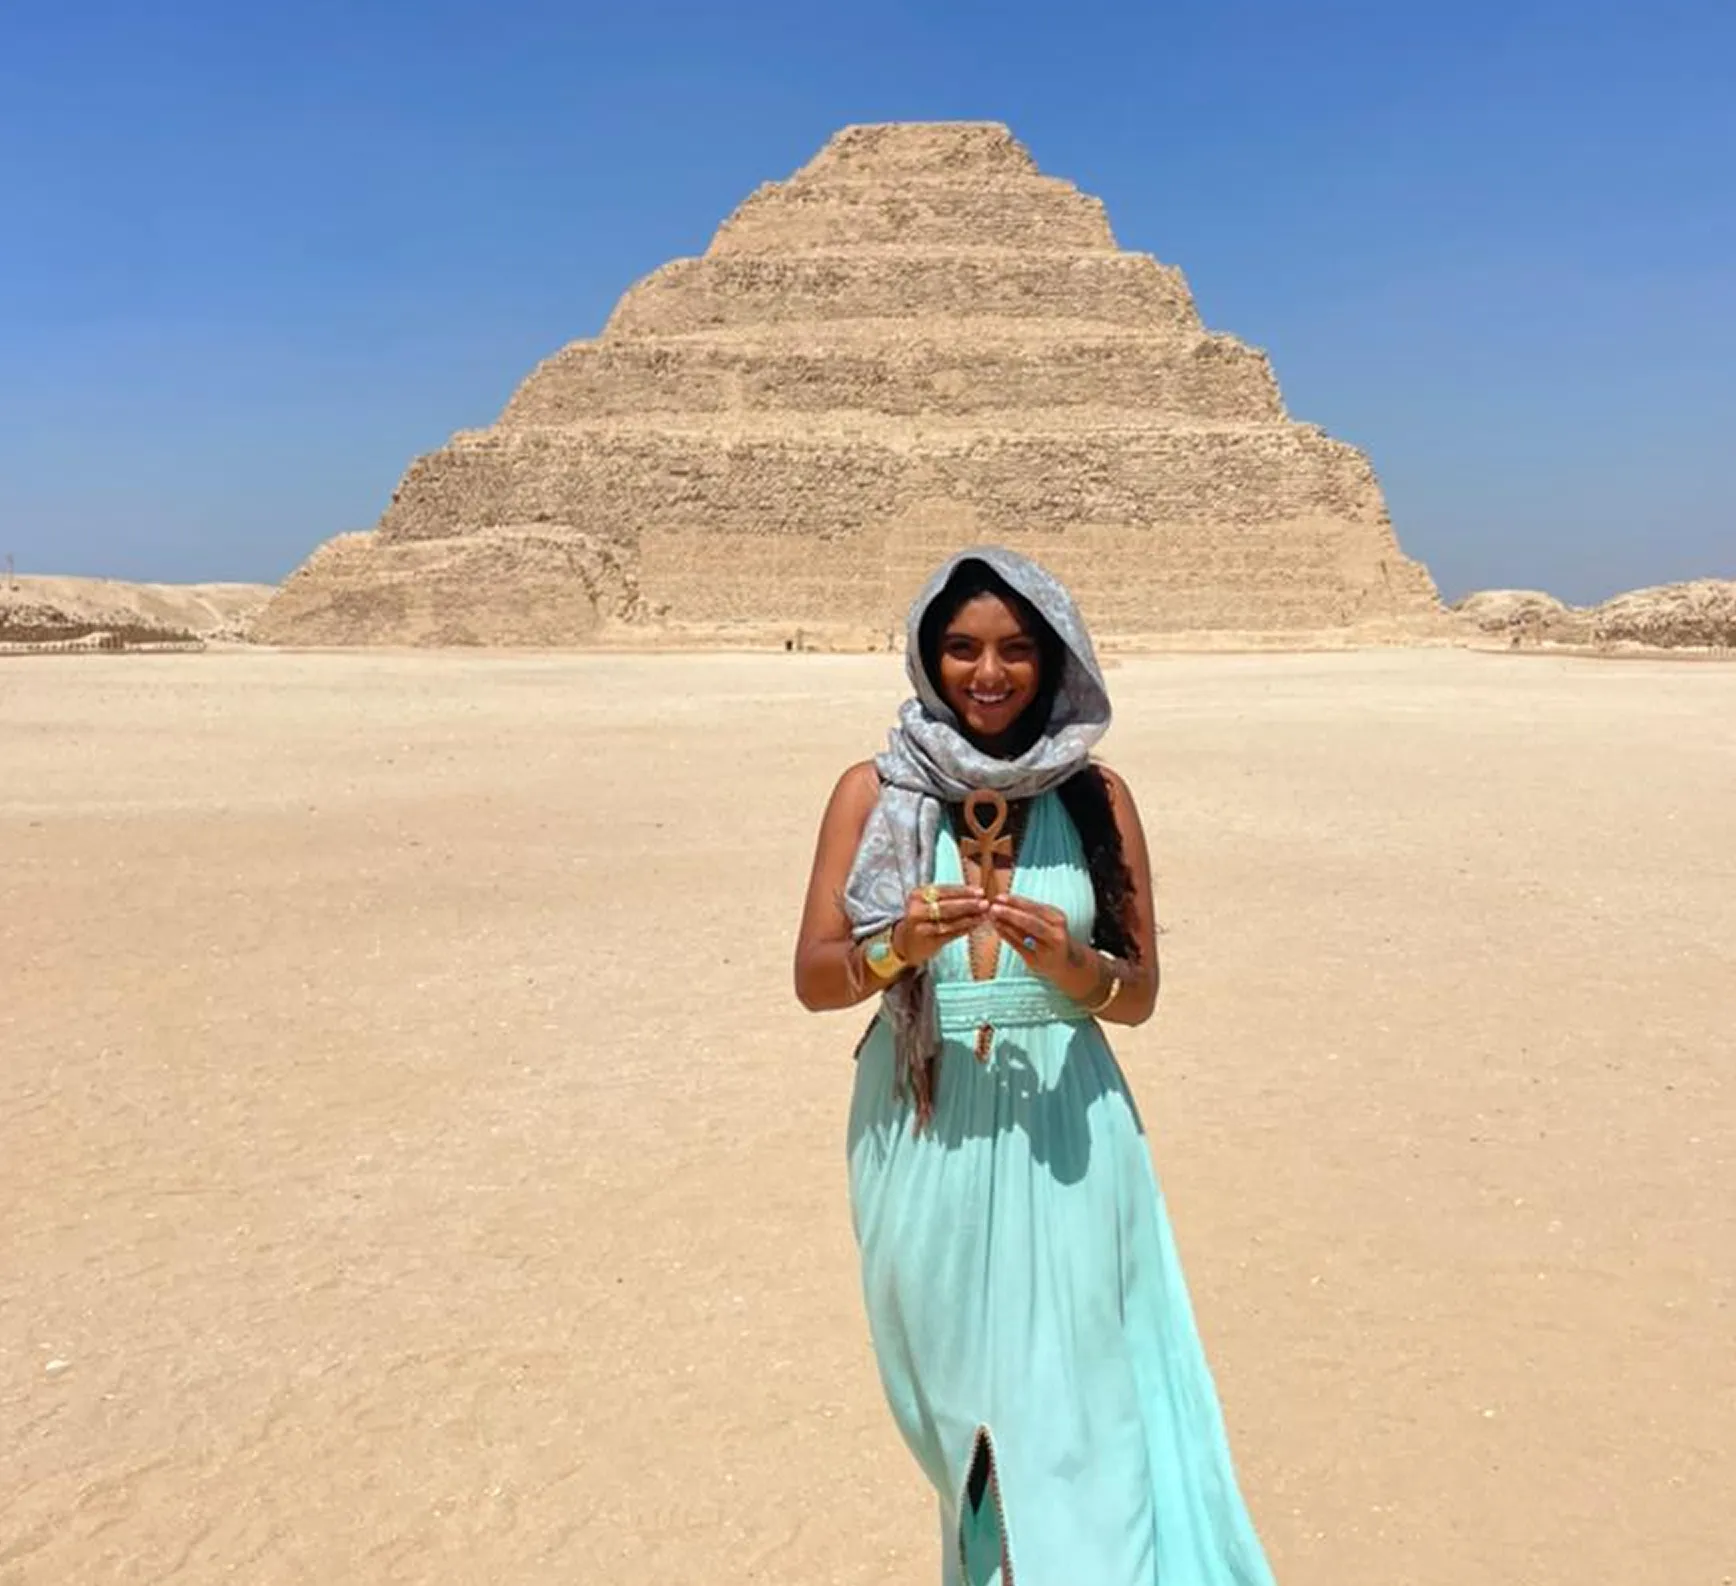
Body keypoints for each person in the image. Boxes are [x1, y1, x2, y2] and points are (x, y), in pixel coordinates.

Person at [794, 547, 1278, 1585]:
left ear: (1053, 660)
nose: (988, 672)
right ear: (928, 656)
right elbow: (816, 976)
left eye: (1017, 649)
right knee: (961, 1415)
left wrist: (1075, 965)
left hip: (1068, 1127)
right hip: (918, 1127)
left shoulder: (1098, 795)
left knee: (1079, 1408)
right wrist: (898, 947)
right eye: (961, 647)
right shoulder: (868, 790)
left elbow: (1138, 993)